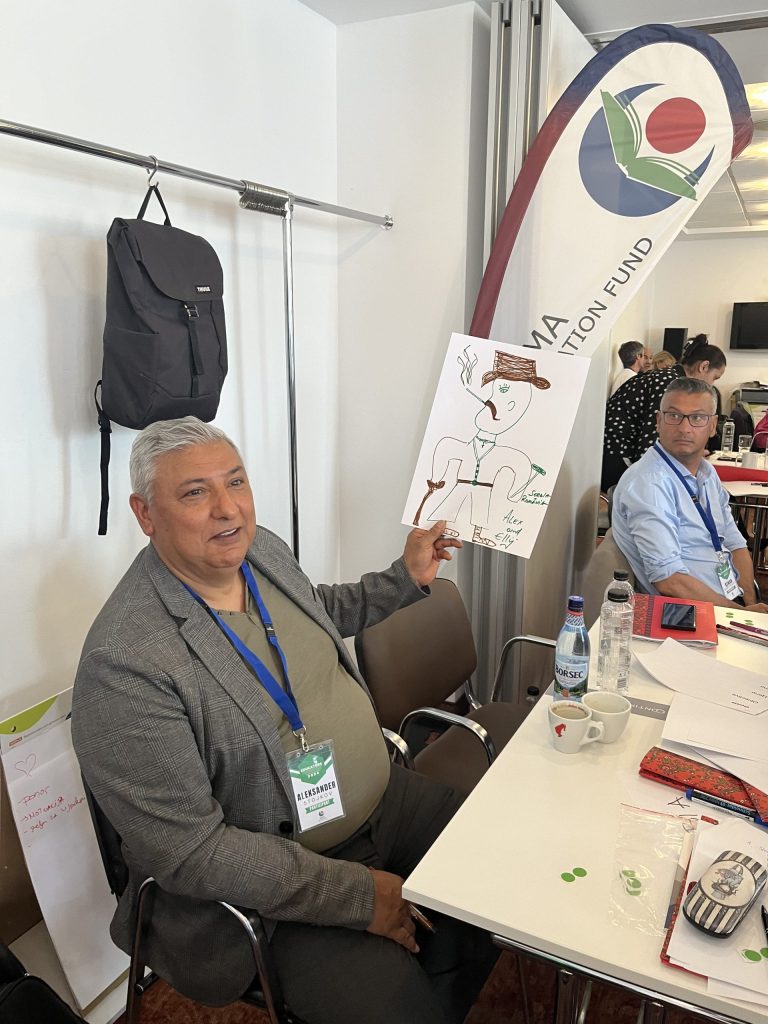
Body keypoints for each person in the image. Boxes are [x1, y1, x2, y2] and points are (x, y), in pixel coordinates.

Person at [72, 417, 497, 1024]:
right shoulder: (126, 664)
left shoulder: (260, 550)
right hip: (270, 886)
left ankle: (445, 974)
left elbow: (313, 611)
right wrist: (360, 896)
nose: (228, 509)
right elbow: (193, 852)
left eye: (236, 482)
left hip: (383, 800)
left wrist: (402, 580)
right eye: (195, 493)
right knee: (397, 1009)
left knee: (494, 872)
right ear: (145, 514)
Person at [611, 378, 768, 612]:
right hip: (693, 614)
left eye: (697, 418)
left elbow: (735, 545)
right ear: (658, 421)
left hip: (729, 602)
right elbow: (669, 580)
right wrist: (738, 614)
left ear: (713, 425)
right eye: (674, 416)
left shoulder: (707, 473)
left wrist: (749, 603)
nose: (684, 428)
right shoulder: (649, 483)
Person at [601, 334, 725, 492]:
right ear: (704, 367)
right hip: (619, 457)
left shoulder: (667, 376)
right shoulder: (671, 385)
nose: (712, 384)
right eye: (715, 377)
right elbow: (651, 441)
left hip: (617, 451)